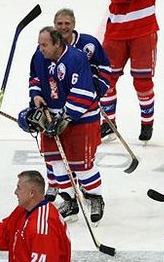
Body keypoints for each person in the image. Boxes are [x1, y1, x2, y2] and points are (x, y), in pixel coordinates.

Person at [21, 26, 105, 223]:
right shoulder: (39, 57)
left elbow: (84, 92)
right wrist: (37, 96)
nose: (40, 48)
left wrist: (66, 117)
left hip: (81, 119)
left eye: (44, 45)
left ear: (57, 44)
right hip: (51, 117)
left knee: (82, 166)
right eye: (39, 44)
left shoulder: (76, 58)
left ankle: (95, 199)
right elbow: (34, 78)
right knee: (56, 163)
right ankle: (70, 202)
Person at [45, 7, 111, 205]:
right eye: (59, 24)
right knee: (54, 155)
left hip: (82, 109)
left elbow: (106, 67)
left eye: (67, 23)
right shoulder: (46, 47)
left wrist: (97, 89)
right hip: (56, 107)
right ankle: (58, 185)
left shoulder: (88, 44)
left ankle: (87, 190)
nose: (63, 27)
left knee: (79, 157)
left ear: (74, 24)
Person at [100, 0, 159, 142]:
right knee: (106, 79)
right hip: (115, 32)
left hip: (144, 30)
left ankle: (147, 124)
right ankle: (108, 124)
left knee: (143, 82)